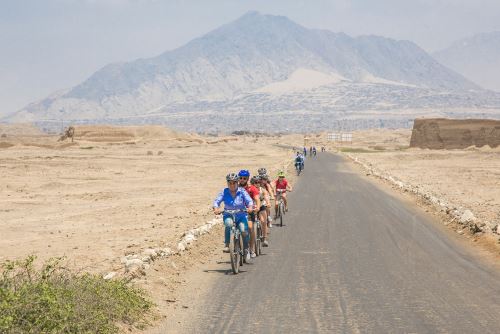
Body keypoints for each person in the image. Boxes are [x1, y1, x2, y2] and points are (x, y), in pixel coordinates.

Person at [213, 173, 254, 261]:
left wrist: (250, 207)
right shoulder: (224, 191)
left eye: (234, 183)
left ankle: (246, 249)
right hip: (228, 214)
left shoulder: (242, 191)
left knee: (243, 230)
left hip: (241, 214)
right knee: (228, 224)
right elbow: (217, 201)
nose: (232, 185)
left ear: (237, 183)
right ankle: (227, 245)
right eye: (230, 183)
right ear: (227, 183)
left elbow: (249, 200)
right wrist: (216, 208)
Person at [238, 170, 260, 259]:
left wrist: (257, 207)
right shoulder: (235, 187)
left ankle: (251, 249)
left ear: (247, 179)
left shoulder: (252, 188)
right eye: (240, 178)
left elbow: (257, 199)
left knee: (250, 228)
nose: (242, 180)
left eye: (244, 178)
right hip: (238, 211)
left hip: (249, 212)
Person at [251, 175, 271, 247]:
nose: (257, 184)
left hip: (261, 206)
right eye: (255, 182)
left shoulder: (262, 190)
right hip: (252, 208)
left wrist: (268, 203)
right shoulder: (250, 190)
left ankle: (265, 238)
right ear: (252, 183)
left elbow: (266, 196)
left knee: (263, 221)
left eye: (258, 182)